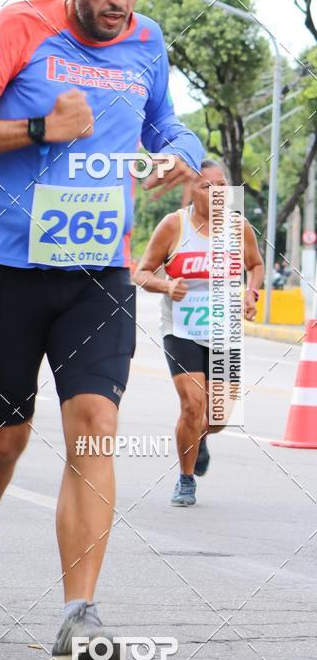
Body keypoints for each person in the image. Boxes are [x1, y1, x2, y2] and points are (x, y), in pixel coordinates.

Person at [0, 0, 202, 660]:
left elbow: (166, 125)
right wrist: (42, 128)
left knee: (93, 425)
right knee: (7, 437)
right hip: (13, 272)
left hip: (100, 275)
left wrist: (179, 153)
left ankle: (77, 619)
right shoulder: (19, 29)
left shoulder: (147, 43)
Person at [134, 159, 264, 505]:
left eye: (223, 185)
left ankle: (200, 437)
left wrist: (252, 294)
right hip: (181, 329)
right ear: (192, 190)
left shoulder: (239, 228)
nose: (219, 192)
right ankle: (186, 477)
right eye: (209, 186)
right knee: (193, 405)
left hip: (223, 330)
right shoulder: (173, 226)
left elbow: (256, 265)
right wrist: (166, 286)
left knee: (218, 417)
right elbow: (142, 273)